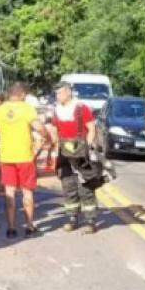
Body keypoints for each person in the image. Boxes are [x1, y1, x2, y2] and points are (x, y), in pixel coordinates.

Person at [0, 82, 46, 238]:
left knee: (10, 192)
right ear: (22, 95)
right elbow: (40, 128)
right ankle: (29, 226)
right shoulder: (27, 108)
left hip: (7, 157)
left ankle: (11, 228)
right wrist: (45, 137)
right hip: (25, 157)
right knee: (27, 192)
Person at [48, 83, 102, 233]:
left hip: (81, 153)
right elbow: (54, 129)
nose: (57, 96)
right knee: (68, 186)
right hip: (64, 153)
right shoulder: (57, 110)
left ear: (68, 93)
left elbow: (91, 129)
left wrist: (89, 148)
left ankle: (90, 221)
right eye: (56, 94)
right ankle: (72, 218)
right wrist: (53, 150)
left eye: (59, 93)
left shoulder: (81, 108)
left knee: (86, 187)